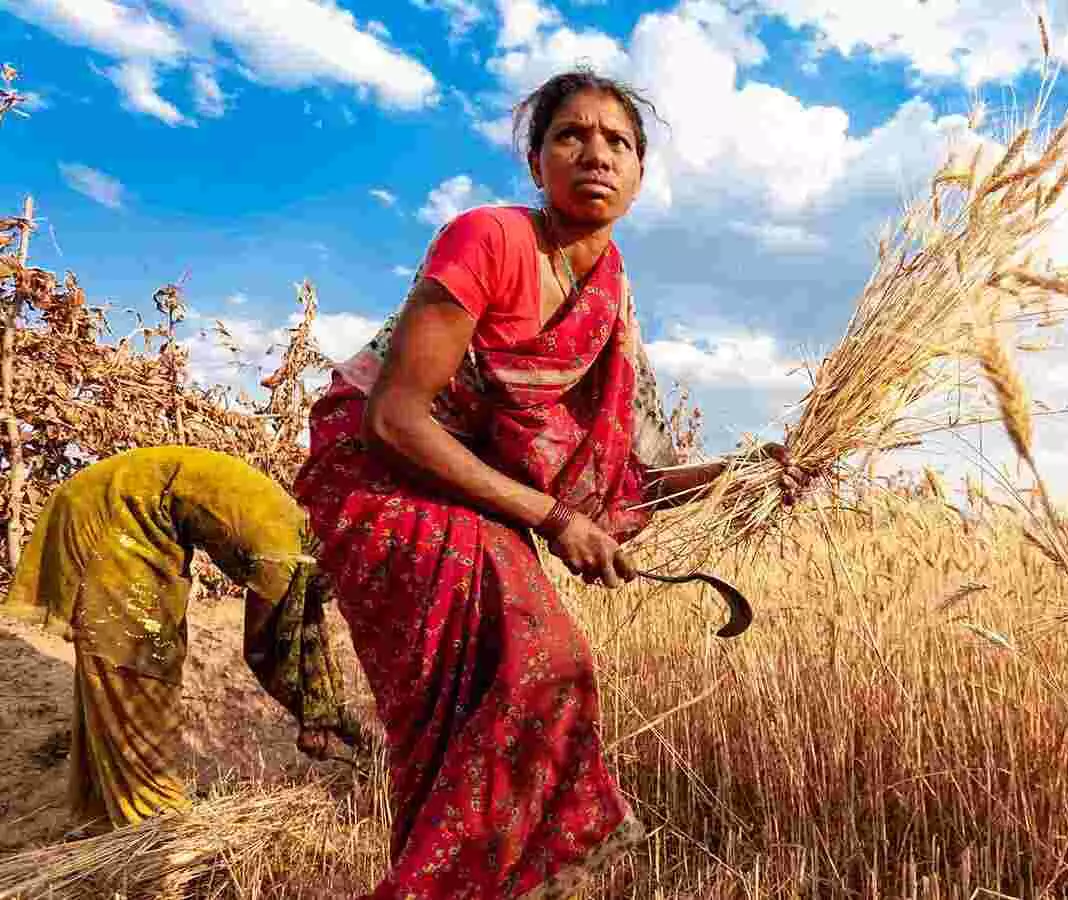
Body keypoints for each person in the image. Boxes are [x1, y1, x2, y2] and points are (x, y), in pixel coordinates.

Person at [292, 69, 805, 899]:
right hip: (380, 471)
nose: (596, 153)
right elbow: (394, 417)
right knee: (542, 659)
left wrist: (753, 476)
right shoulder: (488, 239)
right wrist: (556, 517)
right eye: (571, 135)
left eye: (619, 142)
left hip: (473, 488)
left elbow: (633, 472)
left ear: (641, 172)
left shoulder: (613, 293)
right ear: (536, 164)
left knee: (478, 716)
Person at [2, 445, 367, 831]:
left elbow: (303, 636)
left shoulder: (302, 534)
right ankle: (152, 822)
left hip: (135, 515)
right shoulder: (283, 557)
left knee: (142, 660)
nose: (332, 599)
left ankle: (103, 817)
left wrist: (325, 715)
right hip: (113, 515)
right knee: (135, 663)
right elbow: (261, 651)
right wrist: (316, 720)